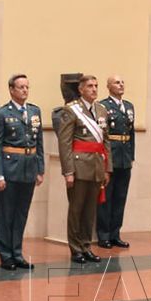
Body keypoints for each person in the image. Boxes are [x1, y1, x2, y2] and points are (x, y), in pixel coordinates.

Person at [0, 74, 43, 270]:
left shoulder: (34, 111)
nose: (25, 90)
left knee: (22, 213)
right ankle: (6, 255)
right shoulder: (2, 113)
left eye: (27, 87)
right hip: (9, 169)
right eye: (21, 87)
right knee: (7, 213)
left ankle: (17, 253)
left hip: (29, 169)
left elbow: (39, 143)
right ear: (11, 89)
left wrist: (40, 169)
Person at [56, 73, 109, 264]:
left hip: (96, 167)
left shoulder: (102, 110)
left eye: (96, 86)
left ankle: (86, 246)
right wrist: (68, 171)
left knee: (89, 212)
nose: (94, 89)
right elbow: (65, 143)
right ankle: (76, 249)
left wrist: (107, 169)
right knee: (76, 210)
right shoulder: (71, 110)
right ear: (81, 89)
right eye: (90, 86)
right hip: (79, 168)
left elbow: (106, 142)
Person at [97, 74, 134, 250]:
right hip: (110, 156)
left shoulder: (128, 106)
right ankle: (103, 235)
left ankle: (115, 234)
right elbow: (102, 135)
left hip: (125, 158)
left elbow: (131, 133)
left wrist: (131, 156)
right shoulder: (103, 106)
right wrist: (104, 158)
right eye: (116, 82)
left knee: (120, 197)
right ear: (108, 86)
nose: (120, 85)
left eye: (122, 82)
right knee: (106, 198)